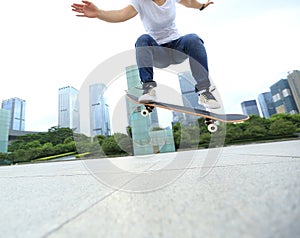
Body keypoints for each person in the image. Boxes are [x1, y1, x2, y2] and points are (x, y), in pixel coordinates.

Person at [71, 0, 221, 109]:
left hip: (177, 48)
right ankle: (148, 88)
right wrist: (99, 13)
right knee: (142, 39)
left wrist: (202, 6)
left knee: (193, 38)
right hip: (157, 52)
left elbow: (189, 2)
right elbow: (120, 14)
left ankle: (204, 92)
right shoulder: (140, 2)